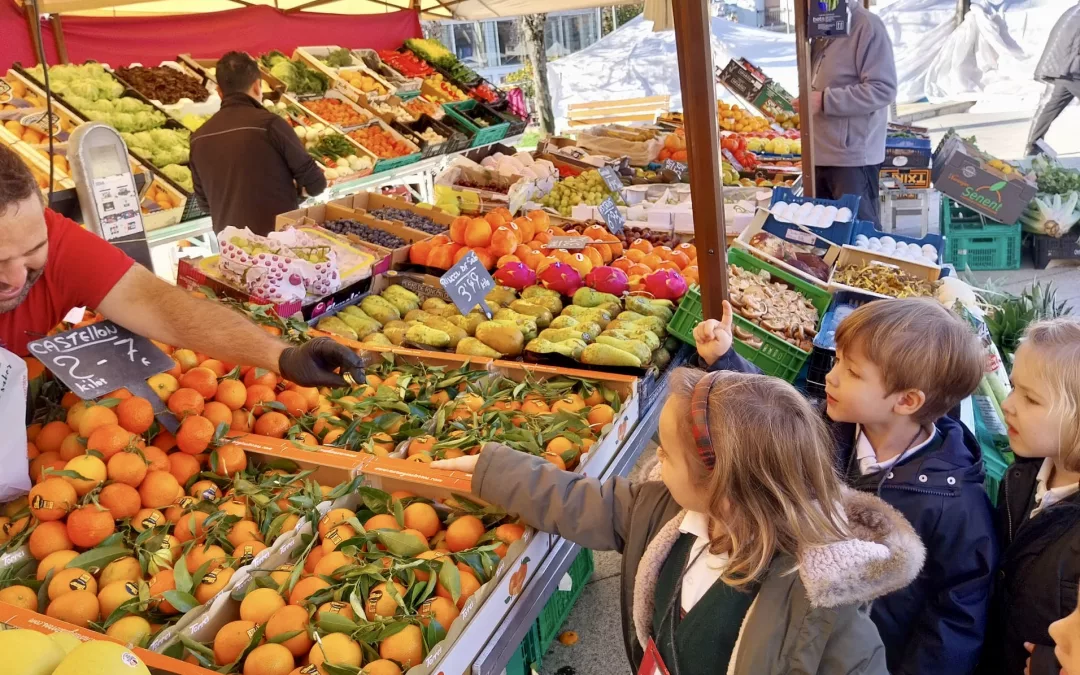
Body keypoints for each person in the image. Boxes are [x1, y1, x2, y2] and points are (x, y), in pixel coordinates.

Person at [432, 367, 925, 675]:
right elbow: (590, 503)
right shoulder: (670, 512)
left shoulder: (822, 607)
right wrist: (496, 472)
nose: (655, 464)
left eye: (665, 454)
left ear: (722, 485)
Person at [696, 298, 996, 675]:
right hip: (800, 631)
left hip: (871, 655)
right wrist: (727, 361)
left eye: (852, 371)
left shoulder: (954, 503)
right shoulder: (828, 428)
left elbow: (957, 613)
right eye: (837, 361)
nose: (832, 377)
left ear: (906, 401)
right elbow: (774, 421)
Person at [0, 143, 361, 388]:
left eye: (34, 250)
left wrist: (281, 356)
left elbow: (162, 306)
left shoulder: (62, 244)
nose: (16, 278)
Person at [981, 318, 1080, 675]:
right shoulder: (1022, 475)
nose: (1008, 404)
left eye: (1030, 398)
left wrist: (1051, 664)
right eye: (1013, 388)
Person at [190, 51, 326, 236]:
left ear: (220, 92)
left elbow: (205, 205)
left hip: (233, 251)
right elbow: (316, 184)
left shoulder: (198, 138)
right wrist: (296, 192)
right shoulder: (271, 124)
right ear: (257, 86)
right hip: (278, 247)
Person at [803, 0, 897, 224]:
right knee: (824, 236)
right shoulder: (820, 25)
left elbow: (883, 88)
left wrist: (826, 100)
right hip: (819, 151)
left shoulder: (867, 26)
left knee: (858, 233)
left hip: (852, 158)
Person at [1025, 3, 1080, 156]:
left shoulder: (1073, 11)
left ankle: (1033, 145)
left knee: (1051, 106)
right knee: (1051, 105)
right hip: (1071, 69)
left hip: (1063, 68)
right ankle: (1033, 145)